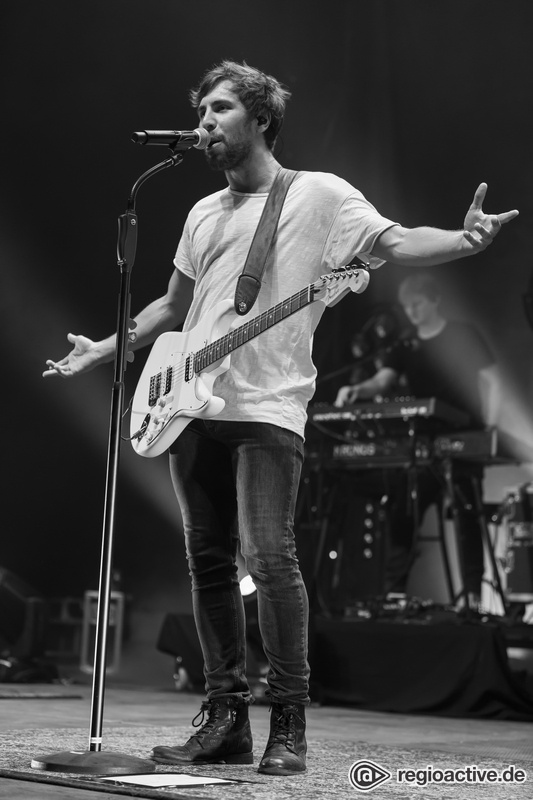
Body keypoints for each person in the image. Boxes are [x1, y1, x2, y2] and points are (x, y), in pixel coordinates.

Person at [43, 60, 518, 775]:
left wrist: (461, 240)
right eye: (201, 112)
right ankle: (224, 717)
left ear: (261, 118)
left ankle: (288, 723)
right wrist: (104, 349)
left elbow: (393, 241)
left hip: (269, 406)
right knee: (206, 563)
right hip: (186, 403)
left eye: (220, 110)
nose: (204, 124)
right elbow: (173, 308)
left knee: (268, 559)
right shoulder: (202, 212)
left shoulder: (320, 195)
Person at [335, 273, 498, 604]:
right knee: (402, 510)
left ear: (435, 300)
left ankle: (471, 595)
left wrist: (489, 429)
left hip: (463, 438)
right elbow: (382, 380)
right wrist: (357, 389)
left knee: (468, 517)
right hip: (421, 442)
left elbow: (491, 381)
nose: (411, 312)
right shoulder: (406, 344)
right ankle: (396, 592)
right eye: (407, 306)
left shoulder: (461, 335)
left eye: (417, 304)